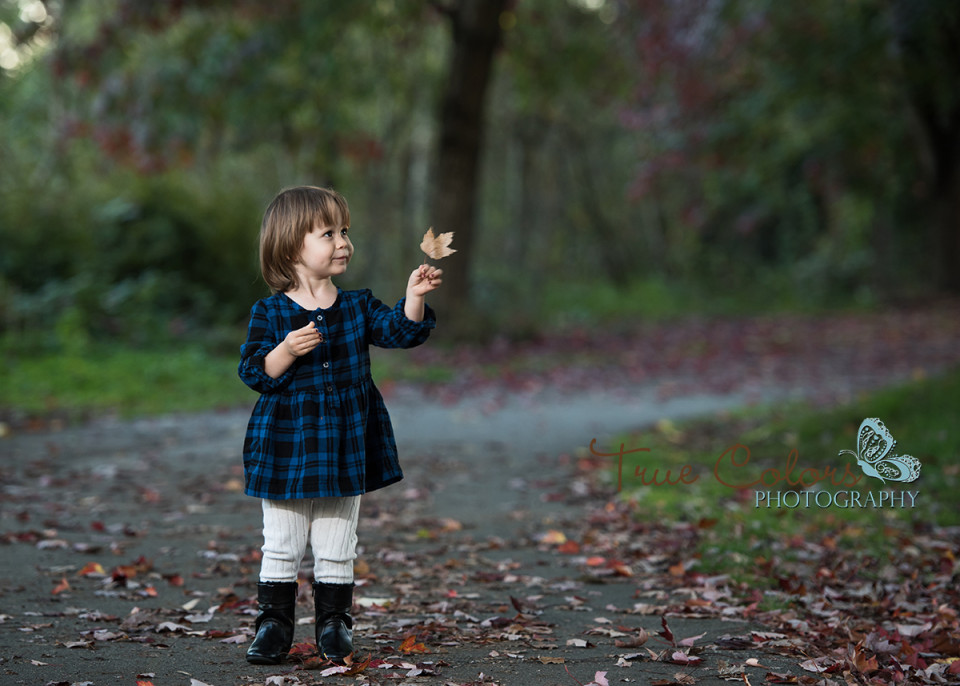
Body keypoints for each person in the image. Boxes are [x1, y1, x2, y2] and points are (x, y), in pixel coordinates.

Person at [238, 186, 442, 665]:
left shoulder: (357, 306)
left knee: (336, 542)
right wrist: (286, 350)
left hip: (345, 442)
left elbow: (400, 332)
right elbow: (253, 372)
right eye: (328, 233)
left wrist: (412, 297)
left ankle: (334, 625)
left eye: (345, 231)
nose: (343, 241)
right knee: (282, 542)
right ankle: (274, 625)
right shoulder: (269, 312)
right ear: (291, 247)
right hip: (286, 442)